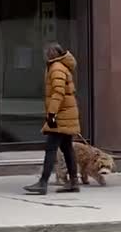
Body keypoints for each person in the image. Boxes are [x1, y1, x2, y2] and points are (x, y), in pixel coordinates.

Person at [24, 42, 81, 194]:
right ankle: (74, 182)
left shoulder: (56, 68)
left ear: (51, 54)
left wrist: (51, 114)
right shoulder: (59, 67)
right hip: (65, 113)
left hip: (60, 115)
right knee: (67, 148)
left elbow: (58, 93)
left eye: (45, 53)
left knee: (51, 148)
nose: (44, 56)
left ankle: (43, 183)